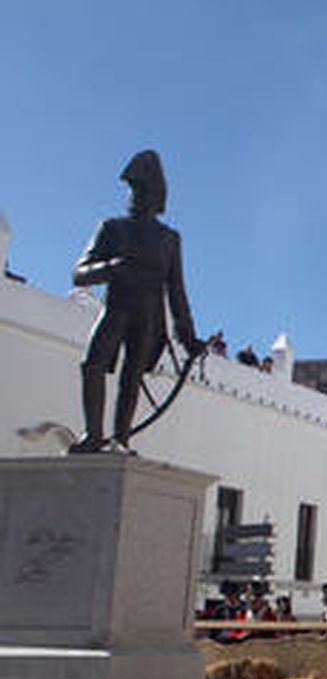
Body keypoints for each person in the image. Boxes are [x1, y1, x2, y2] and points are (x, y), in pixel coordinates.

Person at [69, 149, 202, 453]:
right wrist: (112, 267)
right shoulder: (112, 228)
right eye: (133, 189)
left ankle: (121, 439)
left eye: (141, 189)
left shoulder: (169, 239)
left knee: (131, 377)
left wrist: (189, 337)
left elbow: (177, 292)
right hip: (116, 309)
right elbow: (79, 274)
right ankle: (93, 433)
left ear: (157, 196)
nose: (135, 195)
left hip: (148, 318)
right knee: (92, 365)